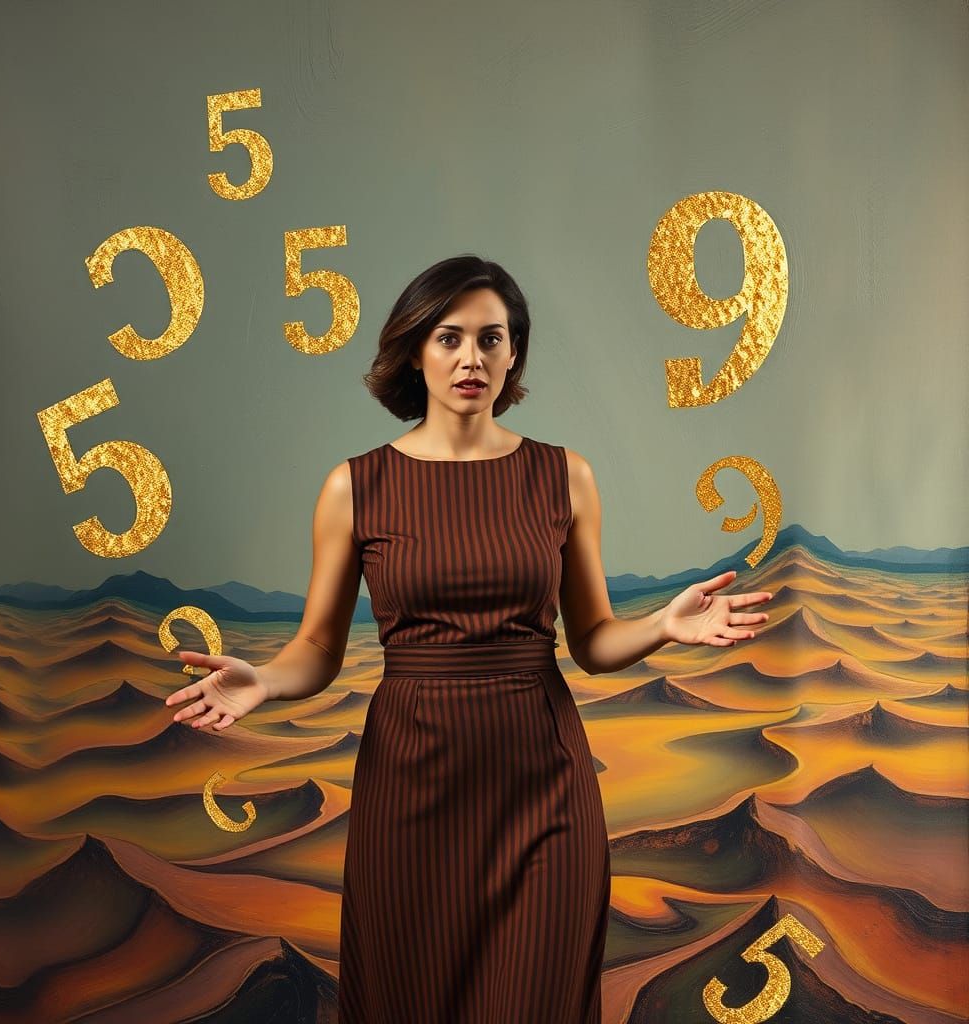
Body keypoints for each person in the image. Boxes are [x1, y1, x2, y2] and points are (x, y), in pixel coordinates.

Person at [166, 254, 774, 1022]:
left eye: (492, 339)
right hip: (410, 789)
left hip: (544, 787)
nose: (471, 359)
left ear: (514, 353)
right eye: (449, 338)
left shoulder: (565, 477)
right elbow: (316, 650)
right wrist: (262, 680)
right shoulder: (354, 487)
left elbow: (590, 641)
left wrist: (662, 625)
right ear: (415, 349)